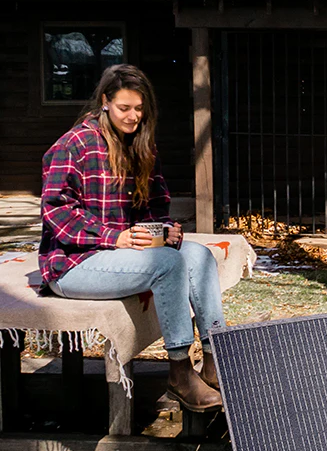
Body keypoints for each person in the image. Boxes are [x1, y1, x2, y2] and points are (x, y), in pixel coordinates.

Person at [39, 64, 223, 412]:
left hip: (121, 257)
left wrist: (164, 229)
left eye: (139, 109)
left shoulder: (141, 146)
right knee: (169, 264)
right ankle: (180, 372)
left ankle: (216, 361)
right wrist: (114, 238)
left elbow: (154, 204)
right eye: (125, 108)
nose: (133, 116)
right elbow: (56, 213)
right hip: (73, 264)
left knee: (198, 255)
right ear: (105, 102)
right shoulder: (73, 145)